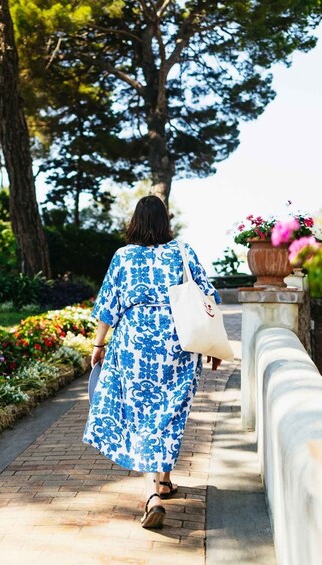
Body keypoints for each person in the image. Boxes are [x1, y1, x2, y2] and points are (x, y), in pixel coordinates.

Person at [82, 195, 222, 529]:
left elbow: (107, 306)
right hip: (178, 342)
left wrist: (99, 344)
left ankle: (153, 494)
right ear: (164, 221)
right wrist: (215, 346)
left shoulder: (123, 257)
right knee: (167, 415)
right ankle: (162, 482)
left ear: (135, 221)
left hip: (132, 345)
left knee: (142, 416)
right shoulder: (182, 252)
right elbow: (208, 297)